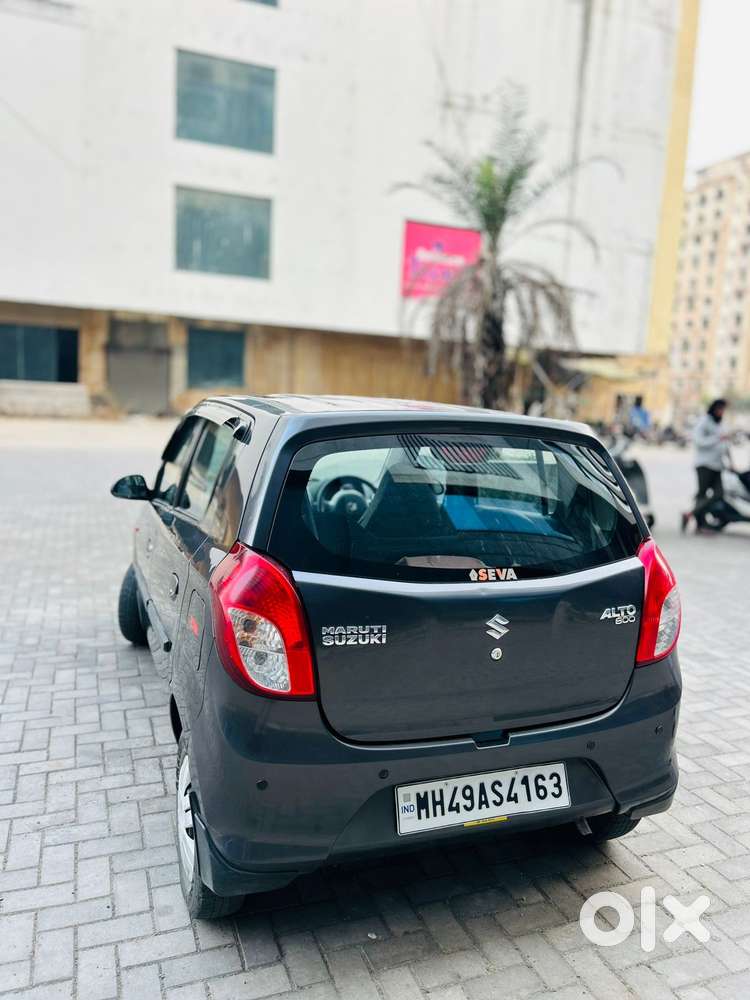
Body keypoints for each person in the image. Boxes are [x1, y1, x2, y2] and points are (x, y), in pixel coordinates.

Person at [681, 398, 730, 533]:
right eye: (719, 409)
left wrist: (730, 462)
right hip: (704, 464)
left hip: (717, 465)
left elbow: (725, 444)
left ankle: (690, 514)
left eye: (723, 410)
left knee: (719, 493)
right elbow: (698, 441)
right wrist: (716, 439)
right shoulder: (704, 422)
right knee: (702, 495)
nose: (721, 412)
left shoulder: (721, 424)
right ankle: (699, 525)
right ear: (714, 409)